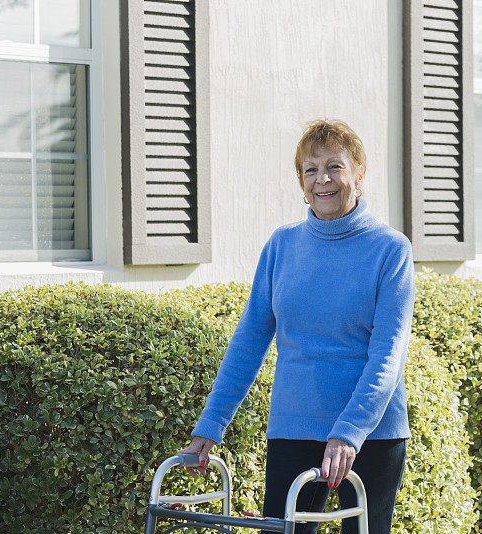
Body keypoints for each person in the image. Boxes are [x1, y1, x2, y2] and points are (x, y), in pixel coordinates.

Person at [177, 118, 415, 534]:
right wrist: (211, 426)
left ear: (359, 174)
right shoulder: (282, 245)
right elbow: (249, 340)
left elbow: (388, 356)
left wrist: (349, 432)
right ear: (301, 181)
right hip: (295, 424)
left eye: (334, 167)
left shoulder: (390, 249)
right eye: (310, 170)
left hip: (372, 434)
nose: (322, 180)